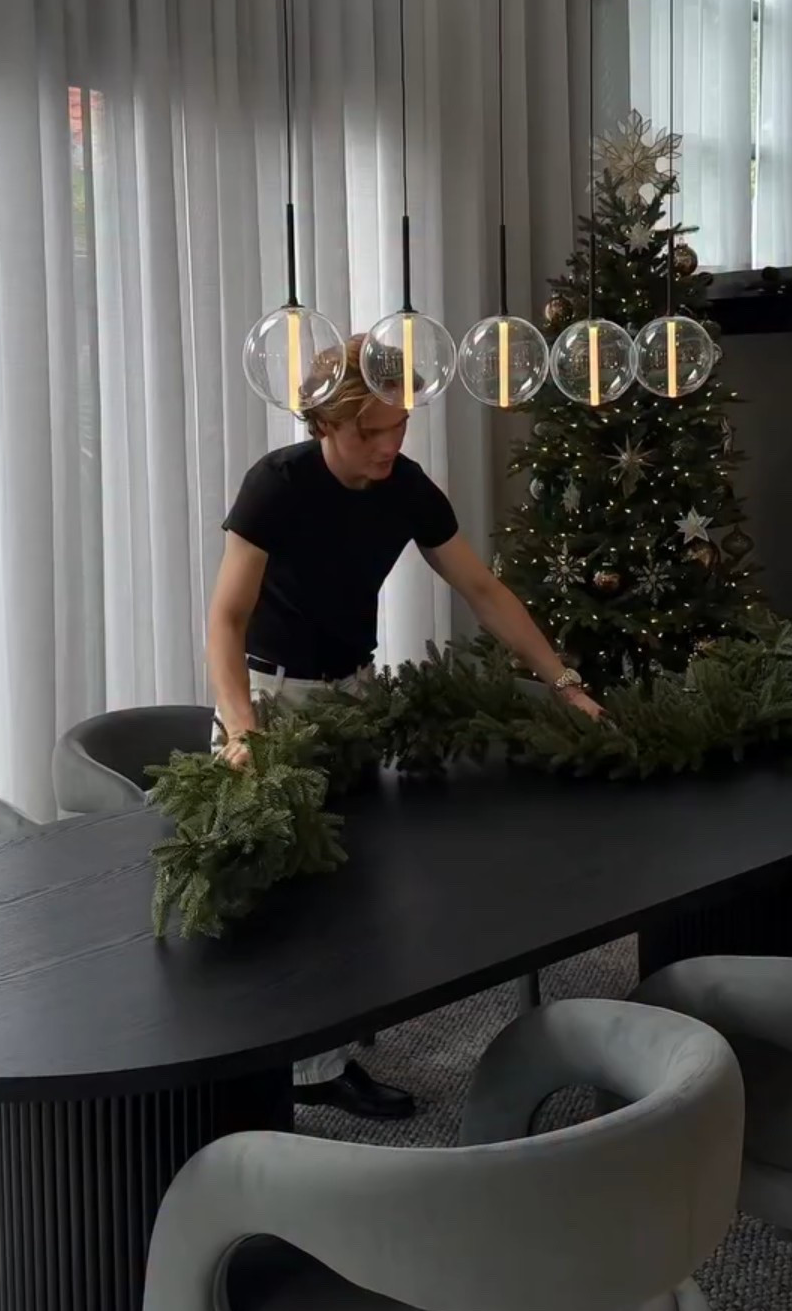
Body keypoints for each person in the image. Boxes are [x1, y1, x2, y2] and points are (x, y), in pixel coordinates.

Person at [207, 334, 601, 1120]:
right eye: (371, 432)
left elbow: (483, 590)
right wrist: (242, 727)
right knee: (267, 899)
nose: (389, 445)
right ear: (326, 423)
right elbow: (226, 617)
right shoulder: (276, 485)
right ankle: (248, 1073)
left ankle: (321, 1064)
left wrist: (563, 684)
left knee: (349, 887)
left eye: (399, 426)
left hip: (355, 695)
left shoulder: (407, 488)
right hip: (270, 699)